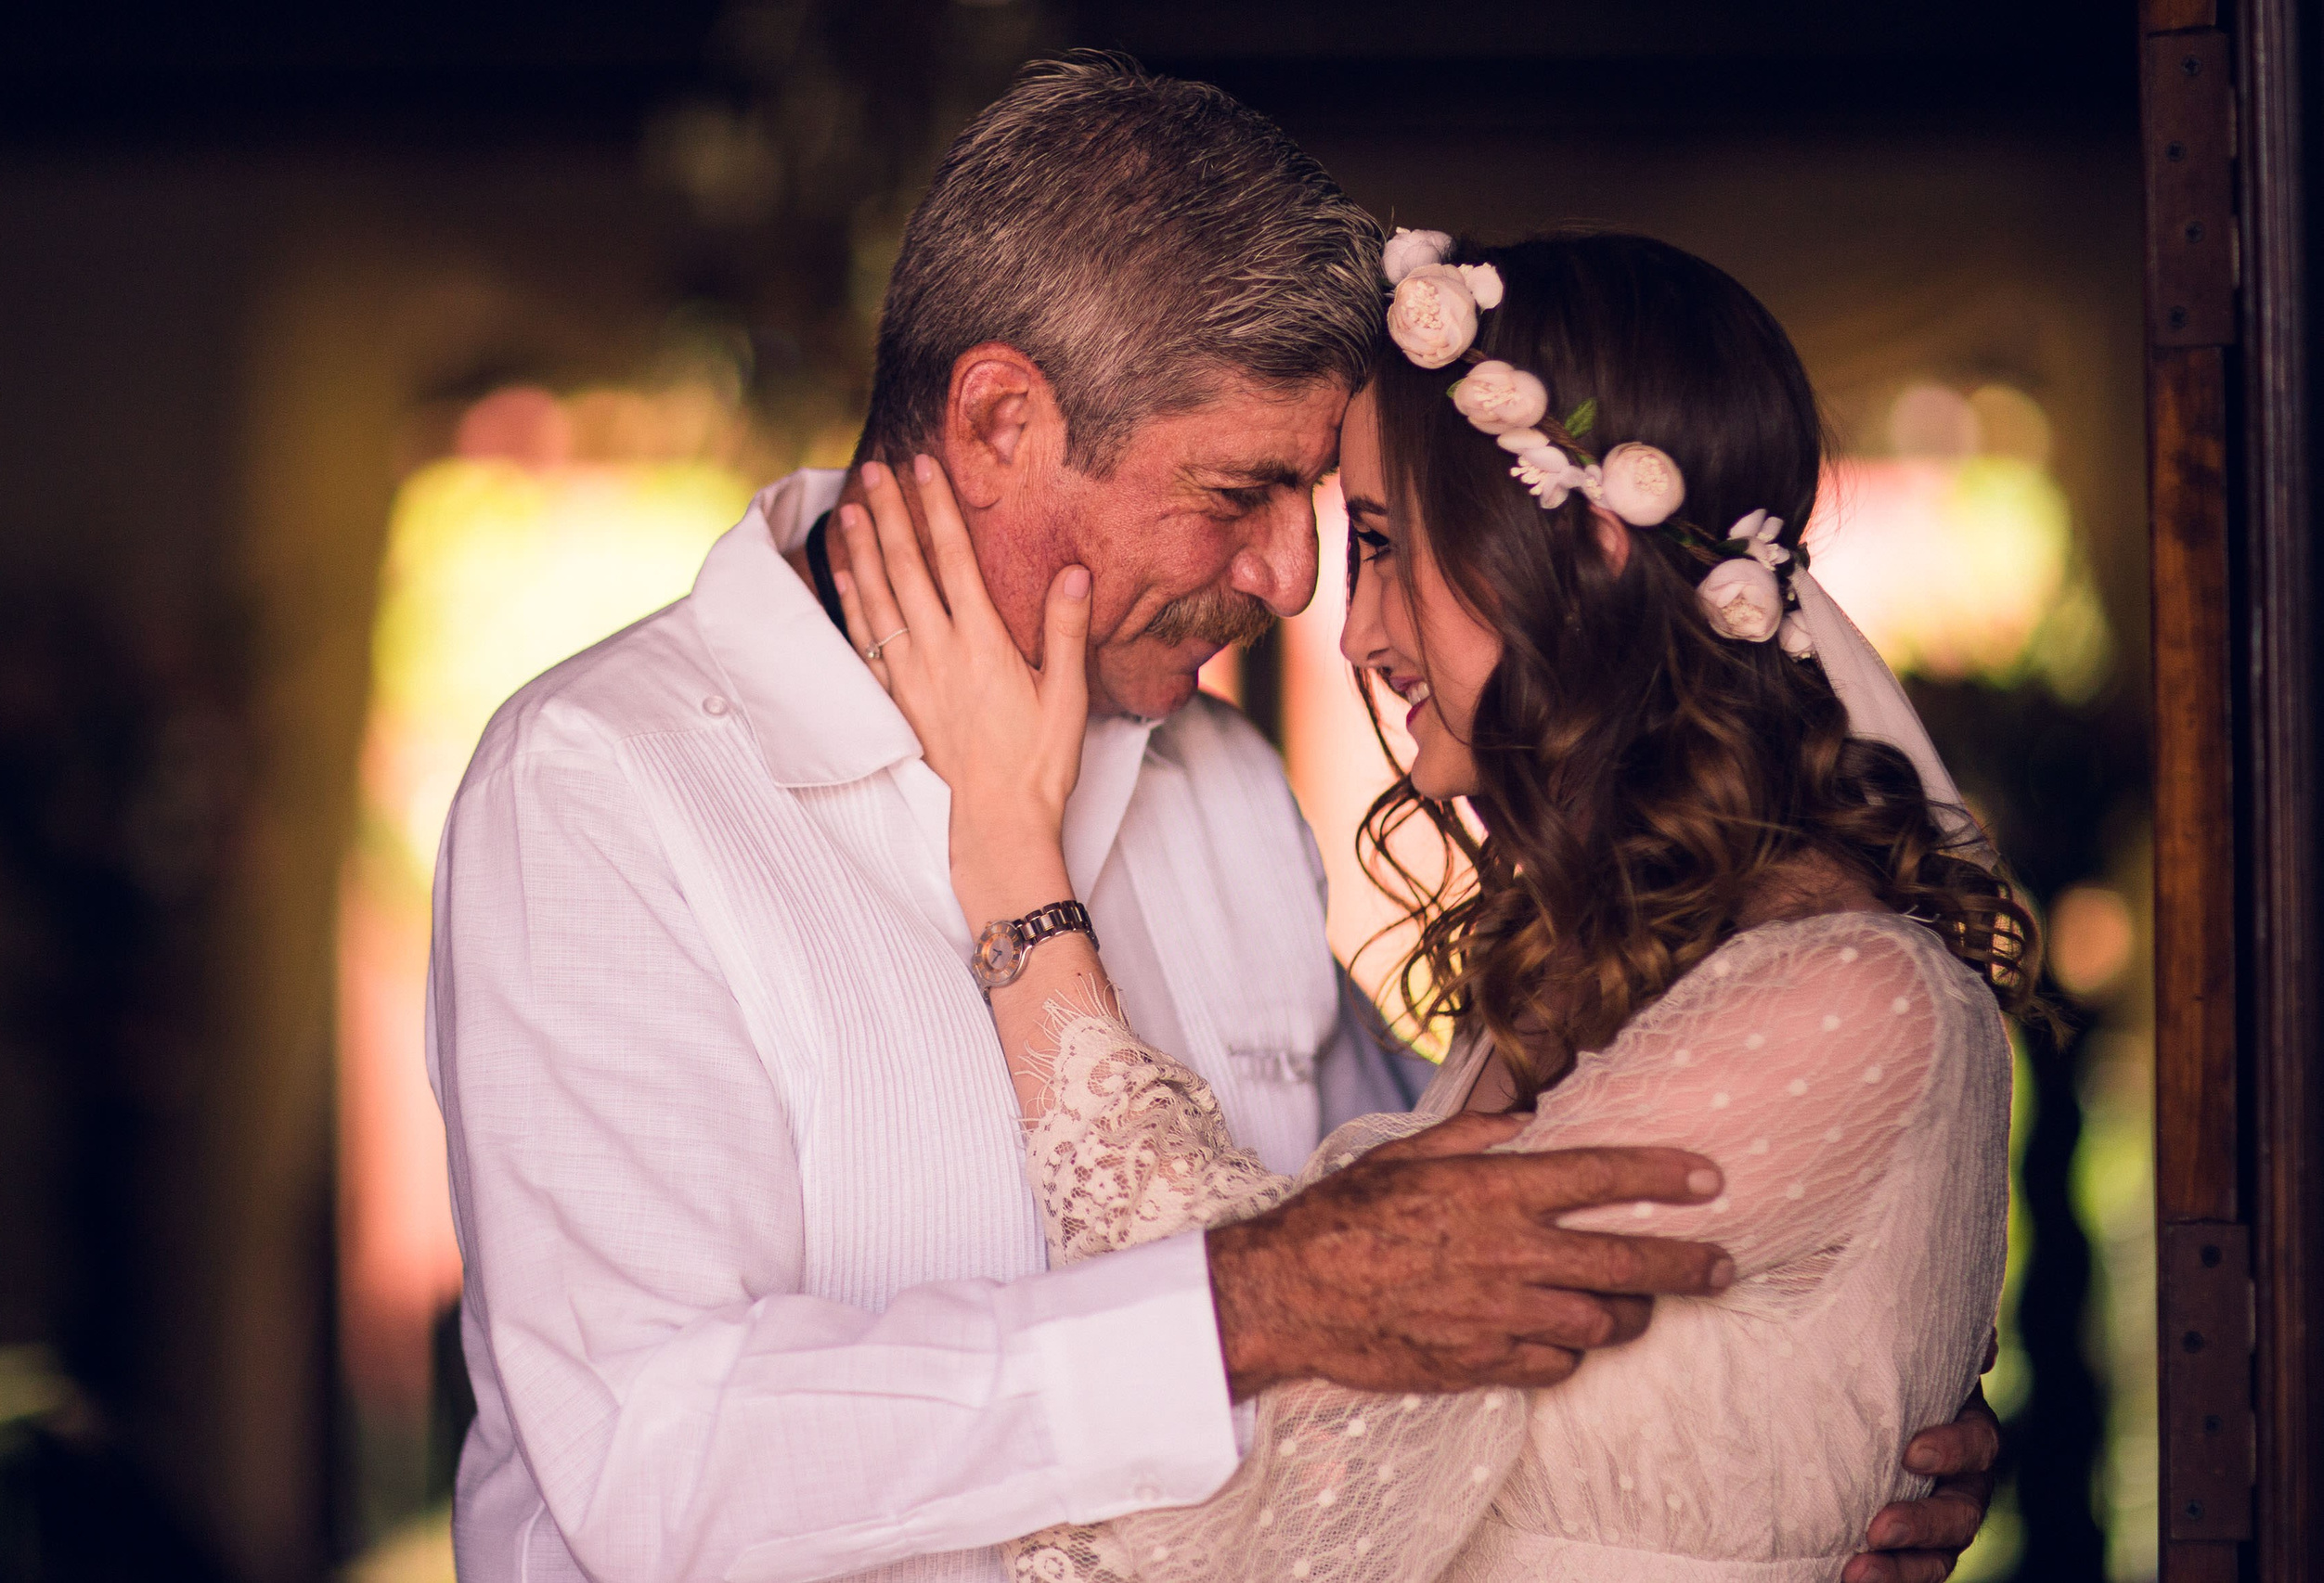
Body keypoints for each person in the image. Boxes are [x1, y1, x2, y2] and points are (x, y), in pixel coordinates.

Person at [428, 56, 1997, 1583]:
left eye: (1323, 511)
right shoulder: (604, 788)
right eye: (1239, 491)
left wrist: (1798, 1398)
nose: (1292, 582)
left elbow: (1463, 1243)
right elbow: (655, 1455)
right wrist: (1244, 1311)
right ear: (997, 424)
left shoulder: (1218, 782)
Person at [829, 225, 2026, 1582]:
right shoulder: (1595, 976)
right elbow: (1328, 1282)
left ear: (1585, 547)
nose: (1348, 630)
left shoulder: (1845, 1002)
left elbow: (1276, 1427)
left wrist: (1008, 864)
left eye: (1385, 545)